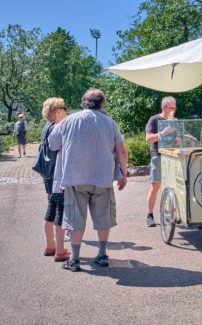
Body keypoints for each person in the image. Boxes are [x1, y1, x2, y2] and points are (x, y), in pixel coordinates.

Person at [48, 88, 128, 272]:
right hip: (103, 178)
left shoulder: (69, 120)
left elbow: (53, 144)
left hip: (75, 178)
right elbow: (121, 150)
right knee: (103, 218)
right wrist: (123, 174)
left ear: (84, 103)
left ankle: (74, 260)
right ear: (102, 103)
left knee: (75, 219)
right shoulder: (109, 122)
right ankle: (101, 255)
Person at [40, 98, 70, 262]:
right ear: (58, 111)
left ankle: (50, 245)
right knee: (60, 210)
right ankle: (59, 250)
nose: (66, 111)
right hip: (56, 175)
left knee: (51, 209)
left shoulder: (46, 127)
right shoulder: (57, 128)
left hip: (47, 174)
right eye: (64, 108)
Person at [144, 96, 177, 227]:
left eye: (174, 108)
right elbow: (148, 139)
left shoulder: (175, 121)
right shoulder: (154, 119)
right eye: (171, 108)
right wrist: (162, 133)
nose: (173, 111)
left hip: (172, 155)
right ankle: (150, 215)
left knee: (173, 186)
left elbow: (177, 139)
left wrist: (178, 139)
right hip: (158, 155)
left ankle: (171, 212)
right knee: (155, 186)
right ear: (164, 108)